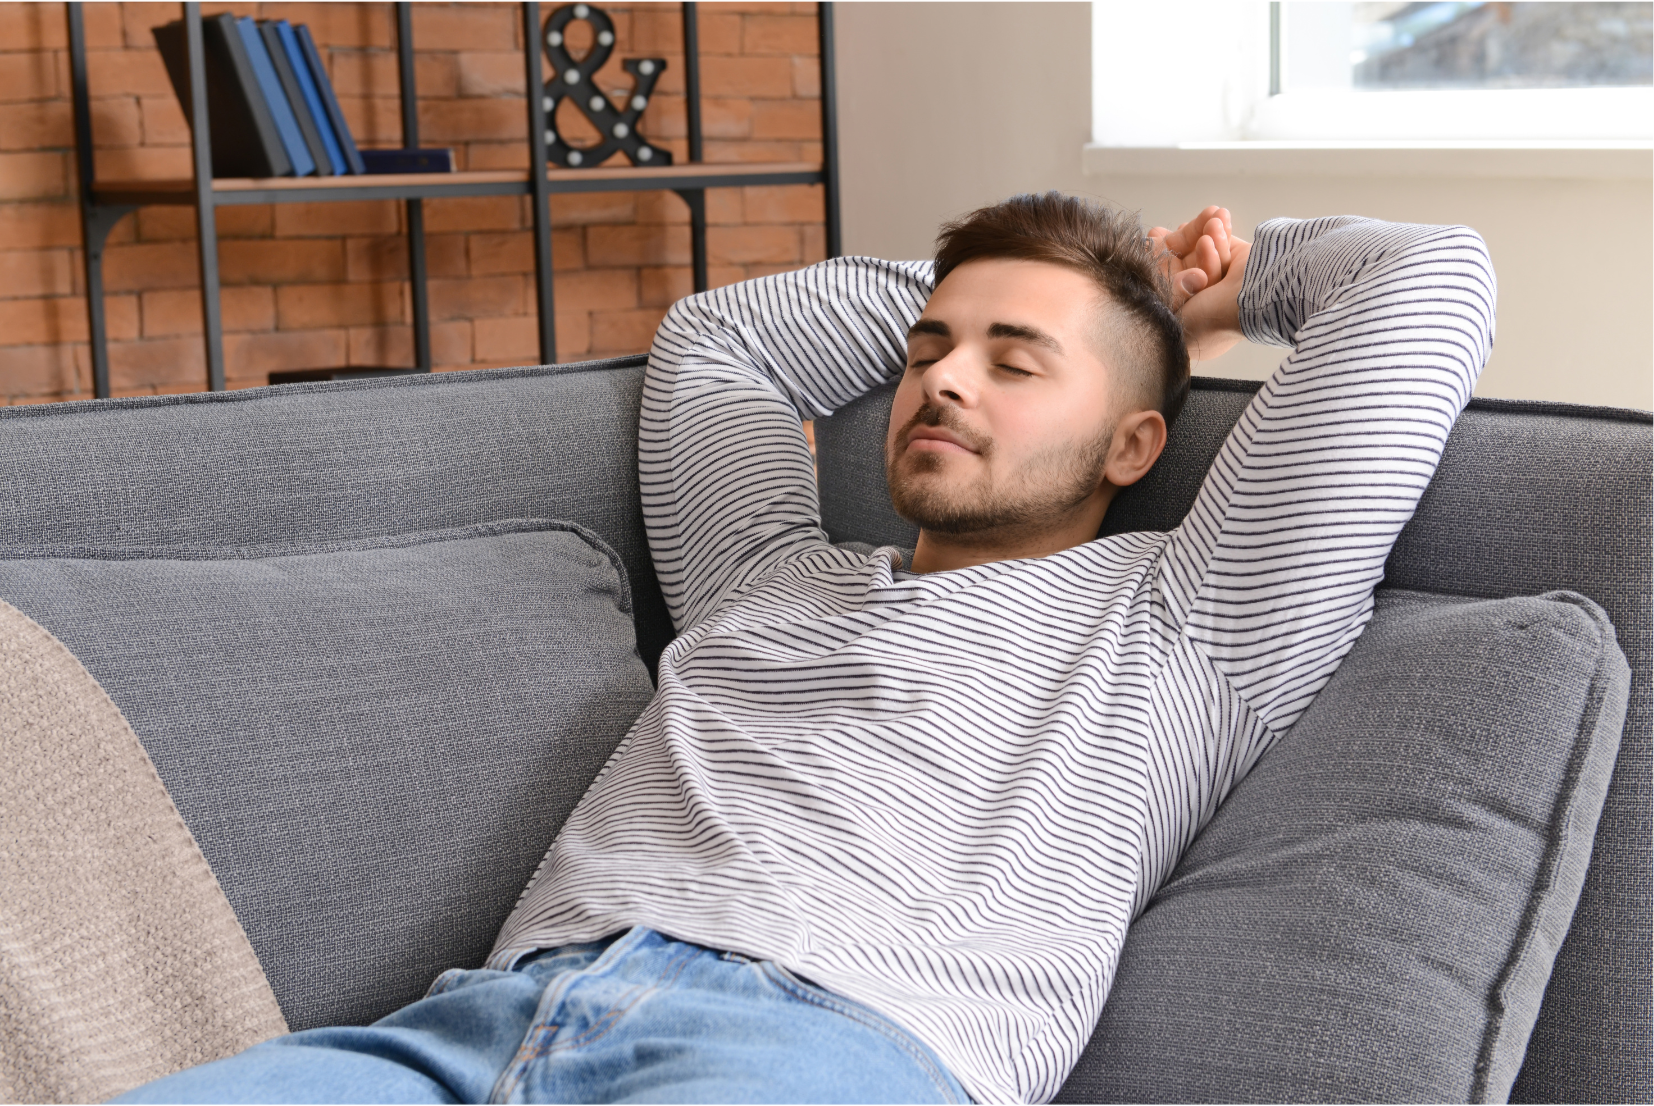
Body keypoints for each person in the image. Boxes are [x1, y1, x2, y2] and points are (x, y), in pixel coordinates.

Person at [118, 195, 1495, 1105]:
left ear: (1136, 441)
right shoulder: (759, 579)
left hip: (814, 1048)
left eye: (1017, 363)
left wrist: (1172, 292)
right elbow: (724, 342)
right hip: (471, 1028)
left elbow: (1423, 276)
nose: (944, 378)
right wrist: (1052, 289)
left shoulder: (1191, 622)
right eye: (926, 348)